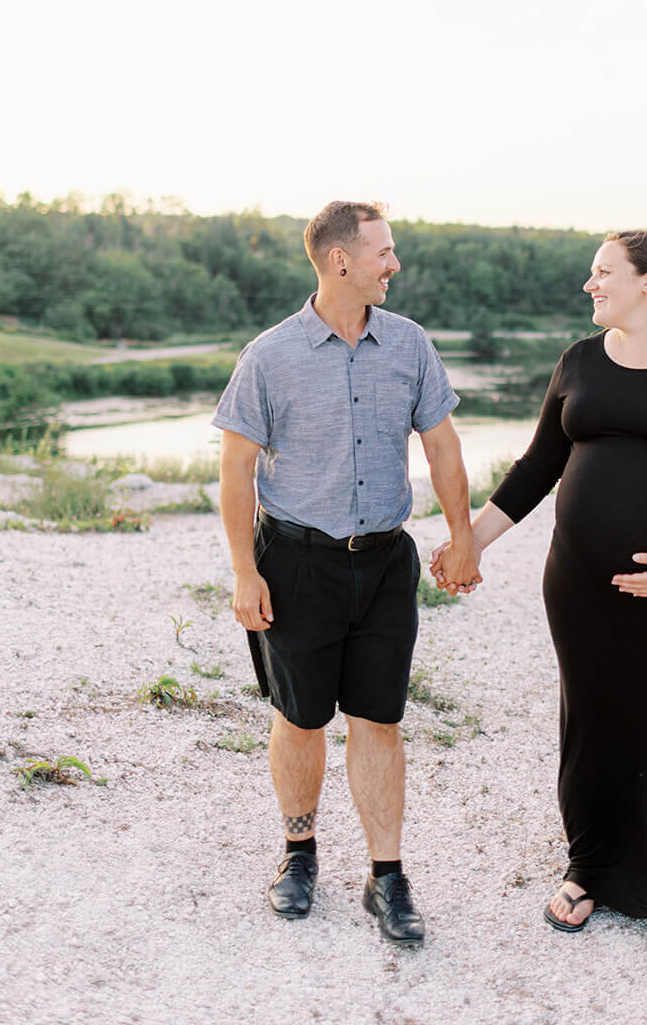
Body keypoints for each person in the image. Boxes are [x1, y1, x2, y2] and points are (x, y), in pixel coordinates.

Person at [433, 229, 647, 985]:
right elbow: (537, 467)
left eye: (602, 272)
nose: (590, 284)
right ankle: (591, 863)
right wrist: (469, 542)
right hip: (578, 585)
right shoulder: (578, 362)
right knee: (593, 715)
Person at [214, 200, 482, 947]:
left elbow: (443, 447)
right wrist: (244, 572)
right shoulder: (269, 355)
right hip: (295, 563)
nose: (393, 264)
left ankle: (385, 876)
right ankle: (298, 857)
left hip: (385, 564)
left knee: (380, 720)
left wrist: (463, 538)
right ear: (341, 260)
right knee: (300, 719)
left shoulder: (410, 345)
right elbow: (236, 470)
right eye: (383, 252)